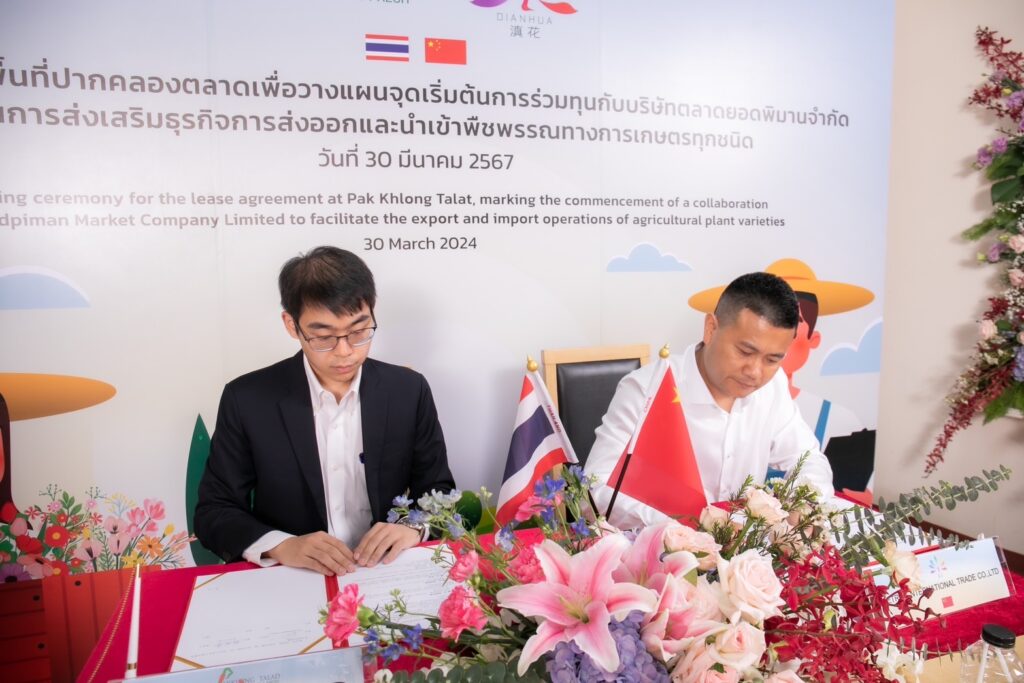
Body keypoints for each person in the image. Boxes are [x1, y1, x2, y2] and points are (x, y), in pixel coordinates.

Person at [195, 246, 456, 574]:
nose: (345, 352)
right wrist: (282, 545)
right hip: (293, 575)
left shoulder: (408, 390)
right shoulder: (247, 399)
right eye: (323, 337)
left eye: (359, 331)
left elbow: (438, 490)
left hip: (384, 570)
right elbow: (214, 511)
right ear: (292, 325)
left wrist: (413, 528)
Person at [585, 271, 834, 530]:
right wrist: (685, 525)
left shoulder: (773, 386)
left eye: (772, 360)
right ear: (711, 328)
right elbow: (595, 491)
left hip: (743, 549)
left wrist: (805, 504)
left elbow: (809, 458)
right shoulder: (647, 389)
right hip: (661, 546)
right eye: (745, 351)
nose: (755, 372)